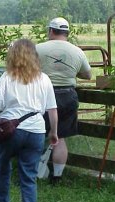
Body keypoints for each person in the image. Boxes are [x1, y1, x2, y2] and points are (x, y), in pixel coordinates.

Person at [0, 39, 58, 202]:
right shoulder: (44, 79)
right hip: (36, 130)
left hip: (11, 130)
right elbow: (52, 109)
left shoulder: (6, 77)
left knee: (2, 167)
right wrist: (54, 132)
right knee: (29, 174)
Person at [36, 17, 92, 183]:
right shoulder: (77, 51)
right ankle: (57, 176)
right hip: (68, 96)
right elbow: (88, 75)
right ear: (67, 33)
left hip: (43, 95)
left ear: (51, 31)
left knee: (37, 134)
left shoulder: (38, 49)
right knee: (60, 137)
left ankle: (36, 171)